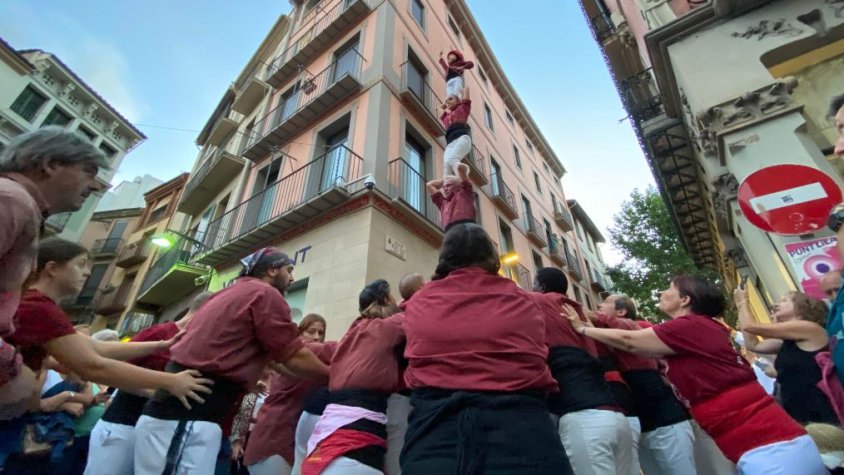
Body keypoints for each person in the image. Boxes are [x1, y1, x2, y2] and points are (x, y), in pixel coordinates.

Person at [564, 275, 826, 474]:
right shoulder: (696, 329)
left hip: (772, 447)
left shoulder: (688, 326)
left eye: (669, 288)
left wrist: (583, 329)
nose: (662, 292)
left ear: (685, 300)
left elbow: (630, 341)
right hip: (763, 445)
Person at [133, 247, 330, 475]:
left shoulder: (231, 293)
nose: (292, 277)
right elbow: (293, 356)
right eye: (289, 270)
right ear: (273, 270)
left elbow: (280, 362)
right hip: (185, 418)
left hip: (185, 419)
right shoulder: (265, 294)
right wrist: (337, 376)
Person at [401, 224, 572, 474]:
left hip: (435, 440)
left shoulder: (418, 303)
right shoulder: (526, 301)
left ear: (444, 258)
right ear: (494, 260)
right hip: (527, 439)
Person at [8, 238, 212, 403]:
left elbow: (95, 347)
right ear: (51, 268)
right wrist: (171, 381)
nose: (88, 272)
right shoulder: (39, 307)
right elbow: (93, 366)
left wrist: (161, 345)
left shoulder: (36, 303)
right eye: (80, 265)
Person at [0, 127, 107, 419]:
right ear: (50, 164)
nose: (96, 186)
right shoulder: (11, 201)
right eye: (89, 171)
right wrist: (10, 368)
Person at [84, 292, 214, 475]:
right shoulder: (159, 333)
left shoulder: (196, 344)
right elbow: (113, 371)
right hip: (122, 426)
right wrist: (154, 391)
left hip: (154, 433)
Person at [531, 268, 632, 475]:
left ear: (541, 287)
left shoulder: (541, 302)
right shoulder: (578, 312)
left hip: (585, 421)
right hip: (616, 418)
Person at [302, 280, 406, 475]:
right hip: (353, 447)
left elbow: (316, 349)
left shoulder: (349, 338)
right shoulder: (387, 327)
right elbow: (418, 315)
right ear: (385, 300)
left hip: (324, 438)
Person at [596, 294, 696, 475]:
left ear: (621, 311)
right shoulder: (609, 337)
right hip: (643, 427)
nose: (599, 305)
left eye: (606, 302)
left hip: (667, 423)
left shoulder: (638, 327)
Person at [244, 314, 335, 475]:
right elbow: (329, 350)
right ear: (300, 333)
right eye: (311, 331)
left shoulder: (311, 361)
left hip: (292, 441)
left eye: (321, 333)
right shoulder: (298, 355)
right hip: (274, 439)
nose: (316, 337)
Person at [736, 289, 839, 425]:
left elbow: (750, 327)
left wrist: (742, 302)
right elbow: (753, 344)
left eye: (784, 301)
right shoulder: (788, 341)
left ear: (802, 307)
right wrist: (741, 306)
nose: (777, 304)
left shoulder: (811, 329)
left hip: (821, 410)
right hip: (799, 412)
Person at [427, 163, 475, 231]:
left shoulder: (464, 193)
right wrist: (443, 181)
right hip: (451, 236)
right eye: (443, 187)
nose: (445, 189)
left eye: (448, 185)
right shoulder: (442, 203)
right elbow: (429, 185)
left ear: (458, 186)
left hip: (466, 232)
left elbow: (461, 168)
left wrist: (457, 165)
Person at [439, 86, 472, 178]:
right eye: (446, 101)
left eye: (450, 99)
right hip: (450, 144)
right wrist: (445, 105)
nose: (447, 102)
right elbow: (440, 109)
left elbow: (466, 90)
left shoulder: (463, 108)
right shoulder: (446, 116)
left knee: (453, 159)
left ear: (458, 101)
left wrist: (460, 90)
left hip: (462, 139)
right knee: (446, 166)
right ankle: (448, 189)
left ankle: (464, 182)